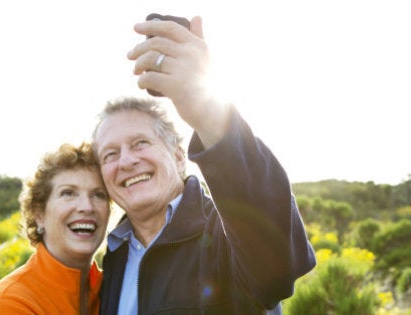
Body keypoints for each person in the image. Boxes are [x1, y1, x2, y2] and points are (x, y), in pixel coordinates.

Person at [94, 15, 316, 314]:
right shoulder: (114, 255)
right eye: (110, 154)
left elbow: (276, 269)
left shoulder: (225, 233)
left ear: (177, 154)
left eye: (140, 144)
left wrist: (211, 115)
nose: (127, 161)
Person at [0, 142, 111, 315]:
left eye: (99, 195)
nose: (87, 206)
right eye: (68, 193)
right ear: (39, 214)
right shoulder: (11, 301)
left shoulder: (114, 291)